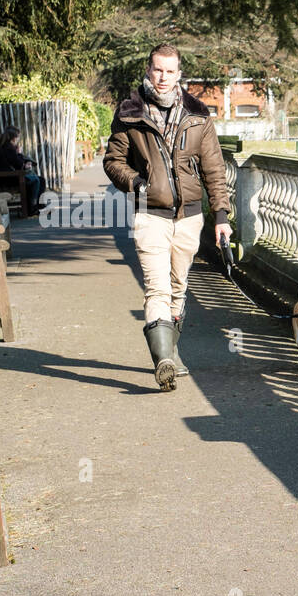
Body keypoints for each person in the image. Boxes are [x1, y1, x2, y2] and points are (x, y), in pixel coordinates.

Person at [103, 43, 232, 391]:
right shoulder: (130, 113)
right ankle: (162, 361)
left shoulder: (199, 115)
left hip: (189, 218)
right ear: (149, 70)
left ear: (179, 74)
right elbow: (113, 162)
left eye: (170, 71)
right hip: (150, 216)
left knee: (178, 288)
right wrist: (138, 183)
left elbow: (214, 170)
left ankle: (171, 352)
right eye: (157, 69)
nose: (163, 77)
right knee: (156, 289)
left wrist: (221, 215)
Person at [0, 126, 45, 213]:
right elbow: (18, 164)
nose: (18, 139)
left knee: (40, 180)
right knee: (36, 180)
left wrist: (20, 159)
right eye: (18, 137)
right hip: (5, 179)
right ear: (13, 138)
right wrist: (19, 153)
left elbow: (14, 163)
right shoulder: (8, 148)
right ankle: (32, 208)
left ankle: (37, 206)